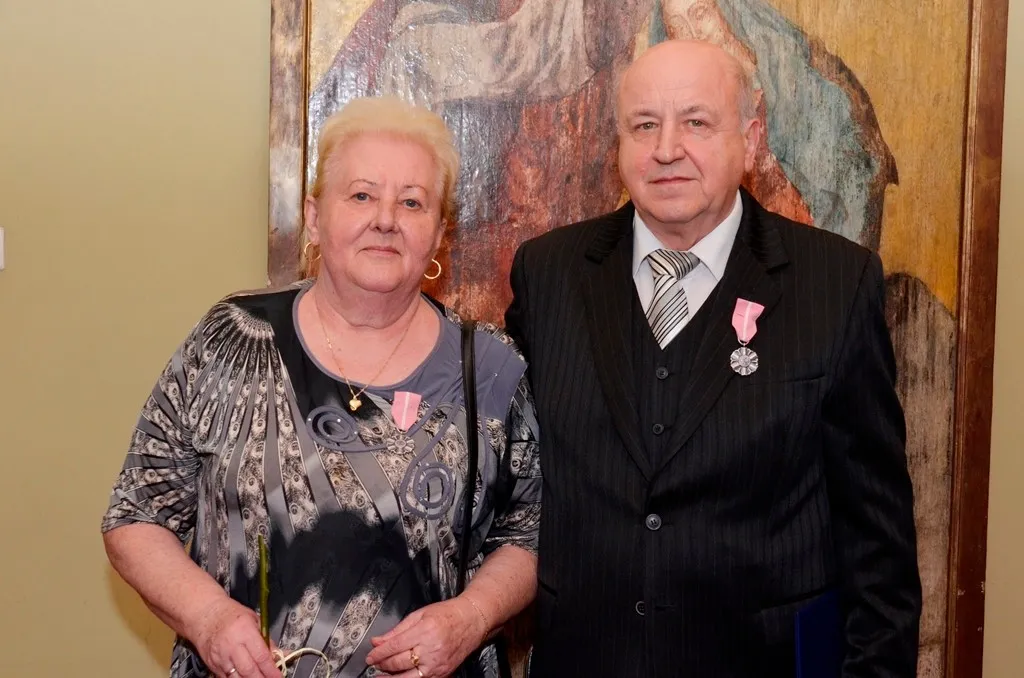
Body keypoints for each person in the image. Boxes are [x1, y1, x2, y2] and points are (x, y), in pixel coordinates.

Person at [505, 39, 921, 678]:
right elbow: (511, 483)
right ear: (619, 145)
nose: (667, 148)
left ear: (750, 140)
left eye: (697, 122)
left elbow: (879, 547)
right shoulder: (548, 274)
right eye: (645, 125)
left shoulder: (835, 284)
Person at [102, 96, 541, 678]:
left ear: (439, 233)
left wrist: (471, 617)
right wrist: (208, 619)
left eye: (412, 202)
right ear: (313, 216)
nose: (385, 219)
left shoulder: (490, 367)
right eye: (361, 195)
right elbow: (136, 515)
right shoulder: (230, 339)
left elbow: (531, 533)